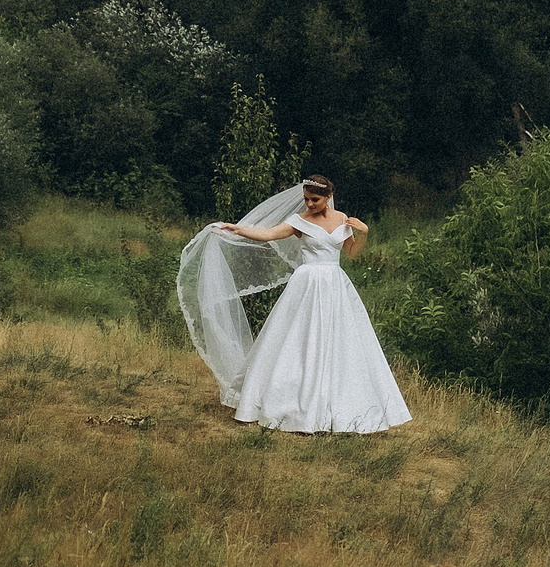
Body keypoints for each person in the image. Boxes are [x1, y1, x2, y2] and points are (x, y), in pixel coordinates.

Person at [175, 174, 410, 434]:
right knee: (297, 341)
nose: (309, 204)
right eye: (306, 199)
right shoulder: (299, 222)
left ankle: (339, 408)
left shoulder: (343, 220)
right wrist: (237, 229)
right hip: (306, 285)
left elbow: (352, 254)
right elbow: (268, 234)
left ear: (328, 198)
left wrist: (363, 232)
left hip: (335, 286)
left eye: (315, 200)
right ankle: (286, 405)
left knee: (340, 343)